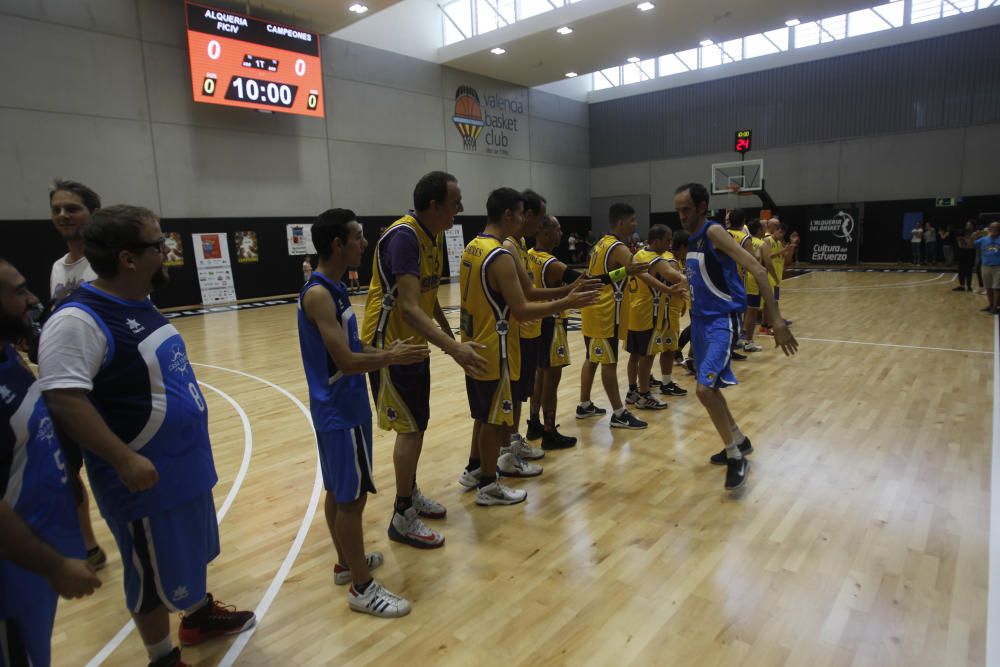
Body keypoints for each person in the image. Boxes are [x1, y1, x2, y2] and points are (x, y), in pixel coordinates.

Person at [39, 205, 256, 667]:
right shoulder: (77, 319)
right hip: (143, 480)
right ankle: (161, 656)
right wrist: (123, 459)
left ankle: (197, 615)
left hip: (182, 468)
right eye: (158, 244)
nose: (167, 252)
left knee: (186, 552)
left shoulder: (138, 302)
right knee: (149, 575)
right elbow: (63, 400)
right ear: (128, 259)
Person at [298, 209, 428, 617]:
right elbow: (347, 363)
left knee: (338, 492)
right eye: (357, 236)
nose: (364, 242)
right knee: (351, 500)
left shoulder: (333, 288)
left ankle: (345, 563)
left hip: (341, 409)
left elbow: (356, 349)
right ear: (337, 244)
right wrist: (390, 356)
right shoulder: (319, 294)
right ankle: (361, 587)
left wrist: (391, 354)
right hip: (340, 411)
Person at [362, 171, 487, 549]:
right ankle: (402, 515)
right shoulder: (404, 238)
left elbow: (430, 303)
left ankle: (410, 492)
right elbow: (411, 308)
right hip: (389, 346)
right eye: (455, 203)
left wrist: (453, 342)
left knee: (418, 424)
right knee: (411, 429)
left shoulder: (431, 236)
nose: (460, 210)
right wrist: (454, 349)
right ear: (433, 206)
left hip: (412, 344)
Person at [458, 189, 597, 505]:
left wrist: (566, 291)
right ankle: (488, 485)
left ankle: (477, 470)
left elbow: (526, 293)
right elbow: (520, 308)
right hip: (497, 347)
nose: (526, 220)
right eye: (522, 213)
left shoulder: (473, 247)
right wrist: (567, 301)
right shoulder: (500, 255)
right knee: (494, 421)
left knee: (486, 416)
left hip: (476, 343)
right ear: (508, 214)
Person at [0, 259, 102, 667]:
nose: (31, 299)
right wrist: (54, 565)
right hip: (15, 573)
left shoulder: (11, 359)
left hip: (36, 563)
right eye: (18, 291)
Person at [673, 183, 798, 490]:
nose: (681, 215)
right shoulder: (691, 240)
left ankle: (735, 457)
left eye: (686, 209)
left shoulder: (714, 233)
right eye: (677, 210)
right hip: (700, 323)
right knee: (710, 389)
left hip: (721, 323)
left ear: (702, 207)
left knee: (704, 391)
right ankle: (739, 441)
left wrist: (777, 320)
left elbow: (757, 268)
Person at [47, 180, 108, 570]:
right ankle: (87, 544)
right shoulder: (58, 268)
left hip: (103, 390)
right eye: (57, 209)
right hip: (69, 388)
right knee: (66, 471)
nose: (64, 215)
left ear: (92, 213)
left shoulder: (105, 265)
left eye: (72, 208)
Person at [578, 203, 649, 429]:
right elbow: (639, 270)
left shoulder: (601, 243)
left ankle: (584, 404)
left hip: (593, 309)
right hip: (604, 312)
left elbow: (605, 275)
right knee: (609, 362)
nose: (635, 225)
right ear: (620, 222)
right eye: (632, 220)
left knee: (592, 358)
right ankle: (619, 413)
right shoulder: (618, 247)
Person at [526, 215, 585, 448]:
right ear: (545, 232)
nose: (561, 233)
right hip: (552, 321)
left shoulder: (528, 255)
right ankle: (549, 432)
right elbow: (586, 280)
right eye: (558, 229)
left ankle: (534, 423)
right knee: (552, 379)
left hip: (536, 321)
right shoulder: (552, 264)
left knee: (540, 374)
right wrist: (622, 272)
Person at [624, 225, 686, 410]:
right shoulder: (655, 260)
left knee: (635, 355)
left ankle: (632, 391)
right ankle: (644, 395)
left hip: (633, 311)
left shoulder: (637, 255)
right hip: (648, 314)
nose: (670, 243)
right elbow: (674, 277)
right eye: (667, 240)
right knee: (647, 356)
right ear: (656, 240)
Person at [656, 230, 690, 396]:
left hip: (672, 309)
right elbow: (675, 286)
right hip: (668, 310)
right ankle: (667, 382)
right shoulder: (671, 262)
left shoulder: (675, 260)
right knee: (668, 349)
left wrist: (683, 302)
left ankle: (657, 379)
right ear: (683, 247)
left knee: (664, 347)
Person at [740, 219, 772, 352]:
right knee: (752, 311)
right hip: (754, 279)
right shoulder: (761, 243)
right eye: (763, 228)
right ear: (759, 230)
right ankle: (749, 341)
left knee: (743, 310)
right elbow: (768, 263)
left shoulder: (744, 241)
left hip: (742, 277)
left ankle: (739, 337)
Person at [975, 222, 1000, 314]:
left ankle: (995, 307)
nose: (994, 229)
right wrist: (975, 235)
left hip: (998, 267)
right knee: (988, 287)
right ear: (989, 229)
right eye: (992, 227)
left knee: (996, 288)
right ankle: (991, 305)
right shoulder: (983, 239)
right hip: (985, 266)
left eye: (996, 228)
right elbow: (970, 245)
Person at [956, 221, 976, 291]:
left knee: (968, 270)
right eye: (966, 225)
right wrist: (959, 240)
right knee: (961, 269)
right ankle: (962, 286)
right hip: (962, 251)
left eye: (969, 225)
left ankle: (969, 286)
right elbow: (960, 246)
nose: (967, 226)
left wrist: (964, 239)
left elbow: (970, 245)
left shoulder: (974, 233)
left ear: (972, 226)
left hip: (970, 252)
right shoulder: (963, 233)